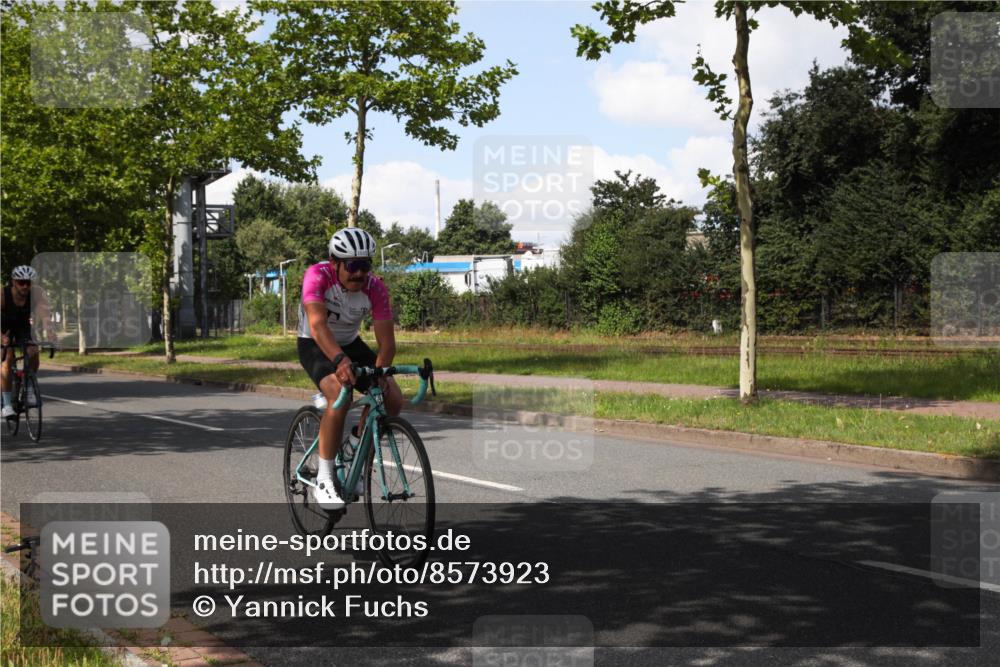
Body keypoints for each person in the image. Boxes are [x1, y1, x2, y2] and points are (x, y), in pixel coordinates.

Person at [297, 228, 402, 509]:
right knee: (339, 393)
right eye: (352, 266)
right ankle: (325, 478)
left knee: (391, 398)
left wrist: (380, 377)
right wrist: (340, 361)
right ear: (335, 262)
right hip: (315, 343)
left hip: (350, 342)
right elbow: (318, 325)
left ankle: (354, 447)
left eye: (364, 266)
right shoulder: (317, 276)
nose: (359, 274)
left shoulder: (375, 287)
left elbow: (387, 344)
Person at [2, 265, 55, 418]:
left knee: (33, 351)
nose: (25, 286)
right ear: (13, 282)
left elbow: (45, 315)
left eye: (28, 282)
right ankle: (6, 405)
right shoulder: (3, 294)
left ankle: (29, 388)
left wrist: (50, 332)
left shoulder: (37, 293)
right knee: (7, 359)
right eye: (21, 282)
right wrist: (2, 337)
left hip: (22, 326)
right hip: (3, 326)